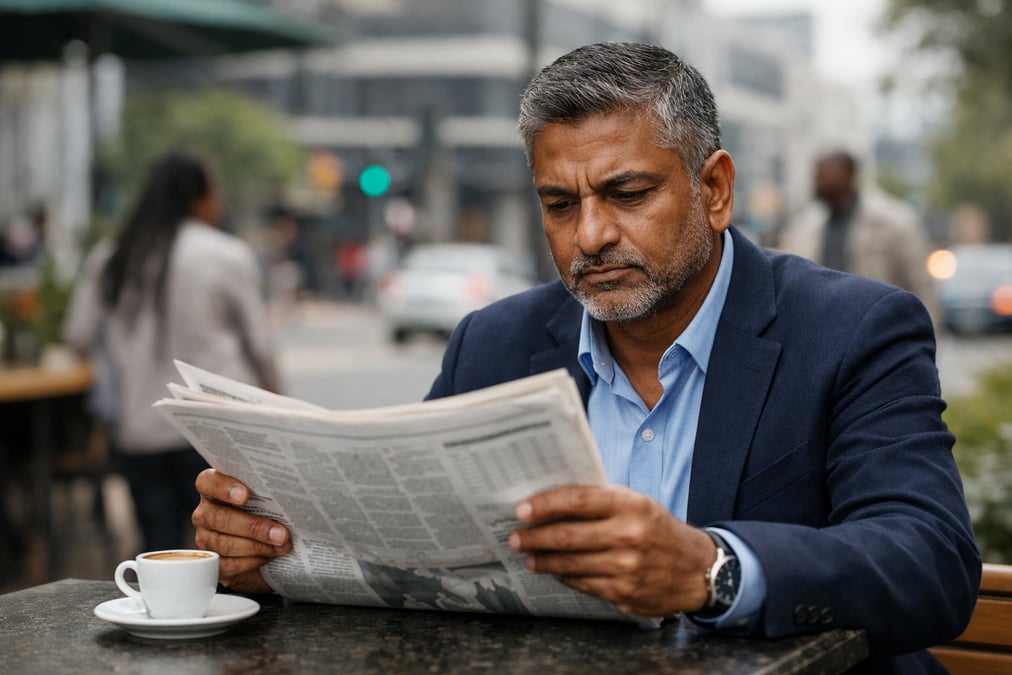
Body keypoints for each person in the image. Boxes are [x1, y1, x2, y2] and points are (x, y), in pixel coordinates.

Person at [191, 44, 979, 672]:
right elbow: (416, 559)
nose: (591, 235)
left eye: (627, 193)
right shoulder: (492, 343)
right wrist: (274, 558)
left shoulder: (853, 329)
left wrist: (711, 569)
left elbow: (930, 561)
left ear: (714, 189)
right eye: (560, 205)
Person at [63, 151, 281, 552]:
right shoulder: (225, 254)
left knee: (158, 552)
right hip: (214, 433)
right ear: (199, 197)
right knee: (226, 558)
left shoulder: (112, 256)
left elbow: (77, 334)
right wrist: (280, 407)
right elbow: (260, 347)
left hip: (140, 432)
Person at [778, 150, 941, 323]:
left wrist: (927, 338)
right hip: (823, 332)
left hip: (882, 331)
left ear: (846, 175)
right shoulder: (805, 226)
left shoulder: (895, 221)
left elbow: (922, 284)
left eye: (823, 175)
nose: (816, 182)